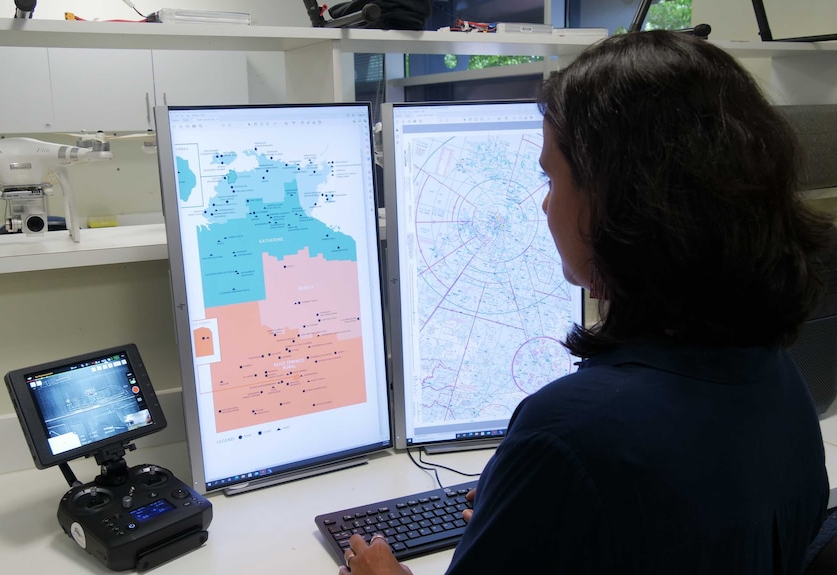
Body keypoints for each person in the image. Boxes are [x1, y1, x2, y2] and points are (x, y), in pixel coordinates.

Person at [339, 30, 834, 575]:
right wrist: (528, 506)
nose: (545, 204)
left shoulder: (566, 437)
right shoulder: (783, 381)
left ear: (618, 199)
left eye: (551, 175)